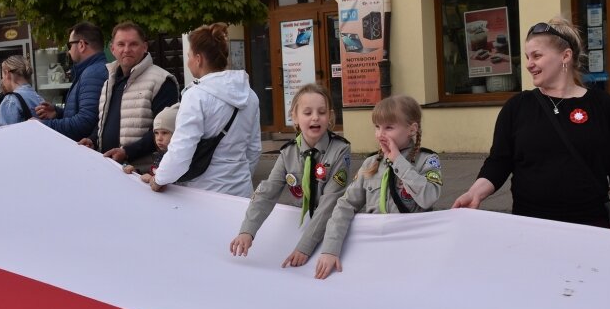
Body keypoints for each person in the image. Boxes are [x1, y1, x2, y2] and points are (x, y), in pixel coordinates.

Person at [452, 17, 610, 230]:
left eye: (537, 56)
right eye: (528, 56)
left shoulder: (602, 104)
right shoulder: (517, 106)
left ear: (565, 56)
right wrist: (474, 193)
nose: (529, 64)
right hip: (530, 226)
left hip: (590, 226)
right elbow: (499, 162)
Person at [315, 95, 443, 279]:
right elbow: (345, 205)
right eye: (377, 127)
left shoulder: (427, 161)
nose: (380, 134)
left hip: (412, 251)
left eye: (389, 127)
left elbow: (429, 197)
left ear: (412, 129)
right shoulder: (370, 163)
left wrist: (398, 161)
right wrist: (330, 249)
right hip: (376, 250)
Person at [230, 83, 351, 267]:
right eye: (307, 112)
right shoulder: (288, 153)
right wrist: (247, 231)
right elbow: (267, 193)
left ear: (330, 117)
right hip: (300, 227)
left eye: (322, 112)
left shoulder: (340, 150)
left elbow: (330, 204)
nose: (315, 118)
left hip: (328, 232)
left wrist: (304, 247)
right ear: (294, 117)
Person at [148, 23, 261, 197]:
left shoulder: (196, 96)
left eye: (189, 56)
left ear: (198, 59)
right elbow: (253, 148)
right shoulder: (249, 95)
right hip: (241, 190)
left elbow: (182, 149)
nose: (188, 62)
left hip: (205, 193)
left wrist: (159, 178)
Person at [78, 21, 179, 164]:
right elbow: (104, 122)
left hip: (144, 172)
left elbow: (166, 131)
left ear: (144, 47)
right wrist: (92, 139)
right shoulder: (109, 82)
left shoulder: (162, 81)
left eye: (133, 44)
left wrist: (127, 152)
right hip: (110, 167)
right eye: (121, 44)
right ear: (112, 49)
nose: (126, 49)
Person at [36, 22, 108, 141]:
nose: (68, 51)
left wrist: (42, 126)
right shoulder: (92, 70)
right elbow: (89, 114)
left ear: (81, 45)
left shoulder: (92, 74)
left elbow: (85, 123)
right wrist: (57, 113)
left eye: (69, 46)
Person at [122, 103, 178, 182]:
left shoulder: (183, 160)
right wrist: (135, 174)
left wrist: (156, 181)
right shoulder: (160, 157)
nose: (159, 138)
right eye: (156, 133)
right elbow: (152, 176)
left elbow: (176, 186)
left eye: (165, 133)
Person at [0, 55, 44, 126]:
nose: (2, 80)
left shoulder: (10, 101)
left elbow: (4, 134)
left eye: (2, 77)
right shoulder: (38, 98)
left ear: (7, 74)